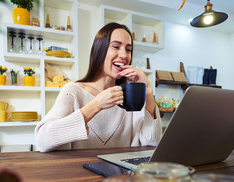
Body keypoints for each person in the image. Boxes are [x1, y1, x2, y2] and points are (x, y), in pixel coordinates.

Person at [34, 22, 162, 152]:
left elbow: (152, 143)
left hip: (122, 172)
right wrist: (96, 105)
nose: (124, 55)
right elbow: (42, 141)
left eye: (128, 50)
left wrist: (148, 92)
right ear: (99, 50)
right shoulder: (73, 91)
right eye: (116, 47)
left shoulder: (130, 96)